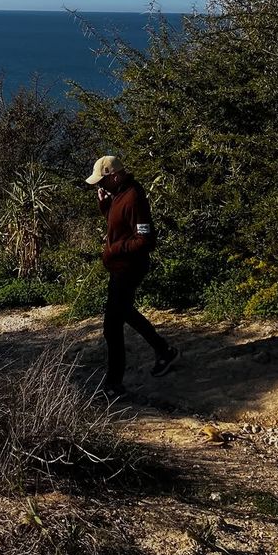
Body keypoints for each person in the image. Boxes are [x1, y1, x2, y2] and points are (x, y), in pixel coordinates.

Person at [85, 155, 179, 394]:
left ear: (115, 176)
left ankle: (114, 384)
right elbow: (119, 226)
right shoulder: (118, 195)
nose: (99, 186)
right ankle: (164, 351)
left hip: (130, 268)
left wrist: (114, 250)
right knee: (124, 312)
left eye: (102, 181)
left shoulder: (133, 197)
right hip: (120, 267)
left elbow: (145, 240)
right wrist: (105, 206)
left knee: (111, 326)